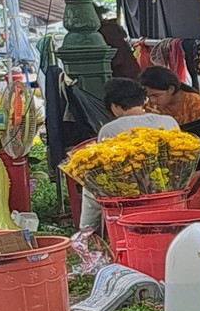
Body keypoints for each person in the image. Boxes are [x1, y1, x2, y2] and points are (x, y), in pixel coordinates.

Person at [77, 77, 181, 236]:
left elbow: (105, 168)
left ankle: (86, 231)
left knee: (92, 179)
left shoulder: (110, 129)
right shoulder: (168, 121)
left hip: (128, 198)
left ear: (115, 106)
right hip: (168, 191)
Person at [140, 66, 200, 170]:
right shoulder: (151, 107)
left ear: (171, 89)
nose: (153, 100)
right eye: (150, 97)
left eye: (156, 95)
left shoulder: (195, 103)